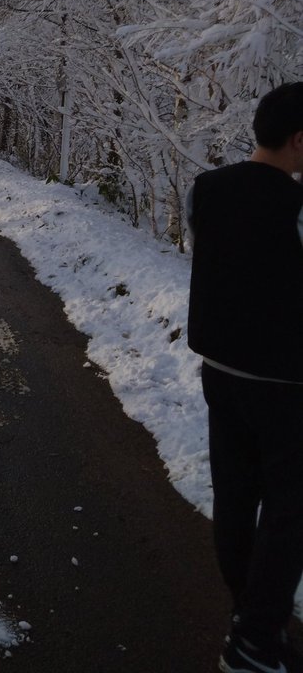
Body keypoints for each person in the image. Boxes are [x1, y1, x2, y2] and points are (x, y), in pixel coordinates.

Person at [188, 82, 303, 673]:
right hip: (285, 385)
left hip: (221, 370)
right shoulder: (296, 204)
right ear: (298, 139)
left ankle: (248, 615)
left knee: (236, 498)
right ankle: (258, 639)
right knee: (290, 508)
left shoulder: (208, 188)